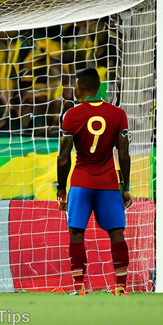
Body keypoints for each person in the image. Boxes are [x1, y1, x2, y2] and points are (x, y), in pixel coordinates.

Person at [56, 68, 132, 296]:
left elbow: (63, 156)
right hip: (108, 181)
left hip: (81, 181)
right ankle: (120, 287)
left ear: (79, 88)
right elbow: (124, 154)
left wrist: (61, 188)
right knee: (117, 232)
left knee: (76, 232)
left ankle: (79, 288)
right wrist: (125, 187)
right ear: (99, 87)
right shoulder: (117, 114)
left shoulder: (71, 115)